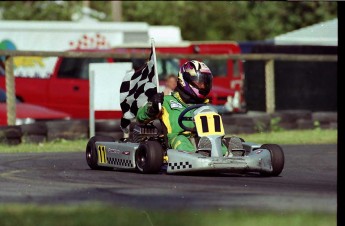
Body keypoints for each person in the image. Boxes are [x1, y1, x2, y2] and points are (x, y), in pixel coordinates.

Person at [136, 60, 243, 156]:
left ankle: (228, 154)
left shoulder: (205, 106)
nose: (203, 86)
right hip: (177, 140)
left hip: (204, 140)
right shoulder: (166, 101)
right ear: (185, 80)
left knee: (216, 140)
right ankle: (200, 155)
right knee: (181, 140)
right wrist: (153, 106)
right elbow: (140, 117)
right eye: (199, 83)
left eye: (205, 83)